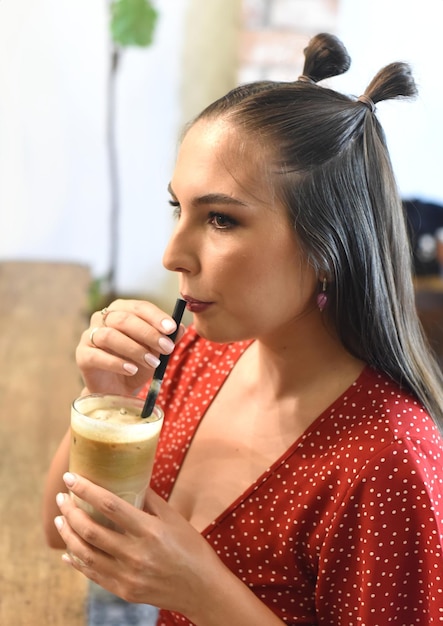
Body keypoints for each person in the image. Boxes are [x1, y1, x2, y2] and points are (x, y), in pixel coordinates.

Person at [43, 33, 443, 625]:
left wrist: (205, 594)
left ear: (327, 246)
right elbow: (65, 534)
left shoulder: (388, 465)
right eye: (179, 209)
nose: (172, 254)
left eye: (222, 219)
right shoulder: (195, 357)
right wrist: (105, 395)